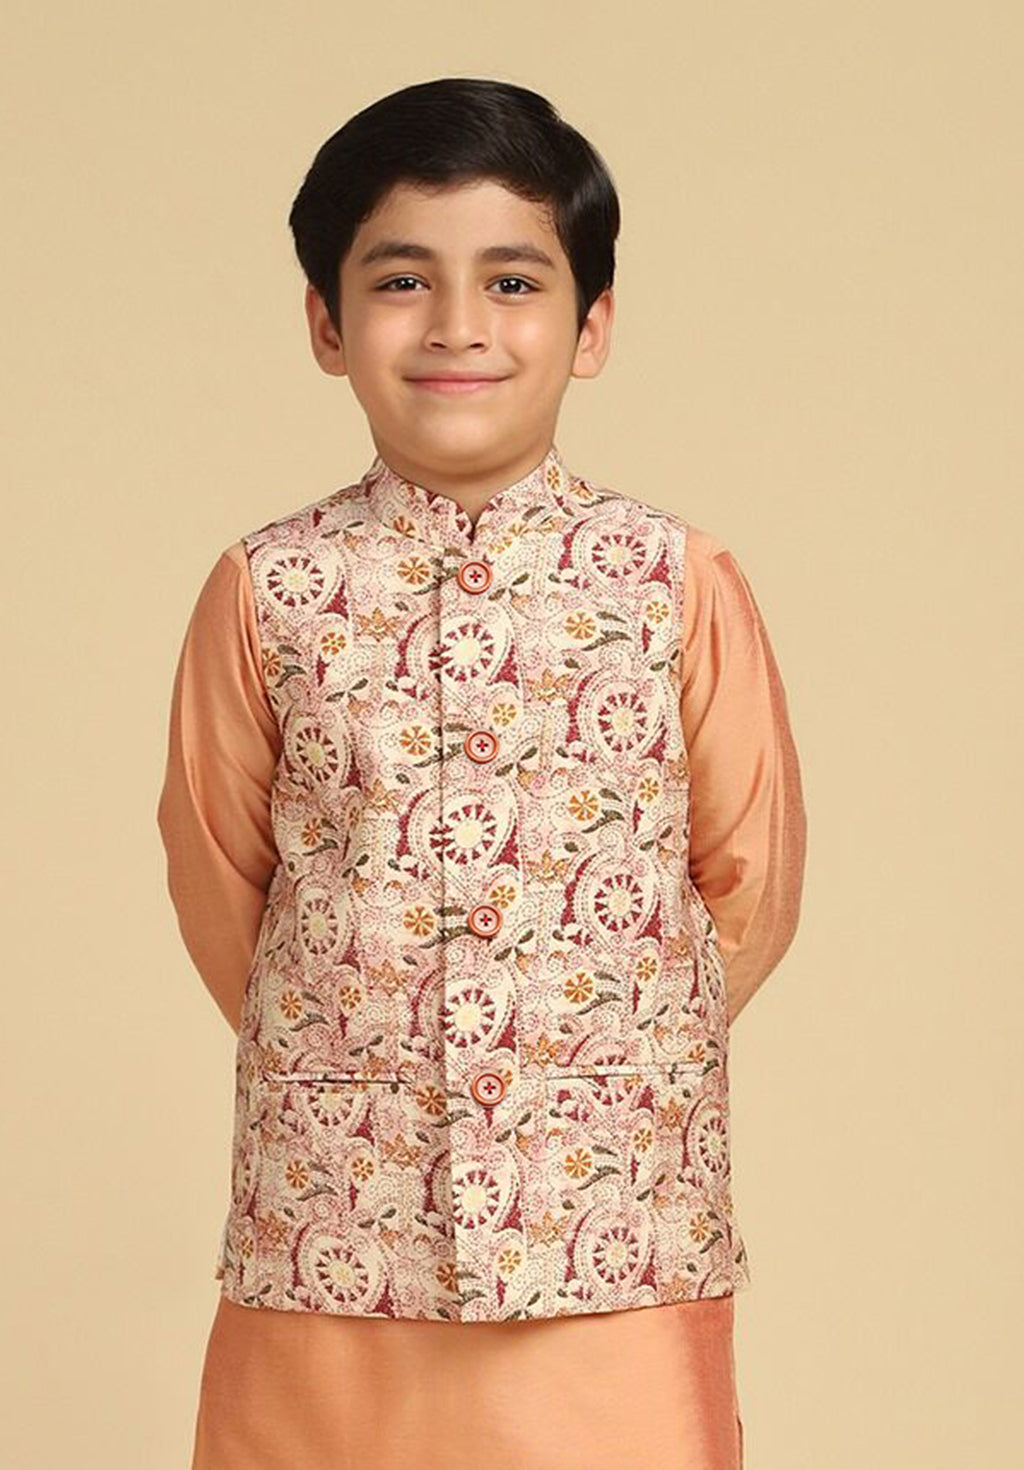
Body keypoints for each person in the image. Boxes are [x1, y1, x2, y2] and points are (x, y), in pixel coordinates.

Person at [156, 75, 807, 1470]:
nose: (458, 324)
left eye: (513, 281)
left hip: (615, 1225)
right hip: (332, 1221)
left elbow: (748, 886)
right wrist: (360, 1048)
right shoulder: (267, 590)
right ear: (327, 324)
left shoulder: (675, 583)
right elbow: (224, 888)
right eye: (402, 280)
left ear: (592, 326)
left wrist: (590, 1060)